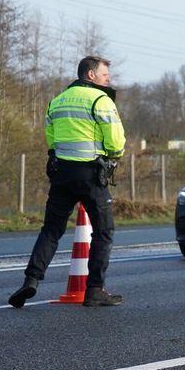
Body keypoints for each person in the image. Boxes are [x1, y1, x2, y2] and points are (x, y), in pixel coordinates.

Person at [9, 56, 125, 308]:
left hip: (62, 174)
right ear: (91, 75)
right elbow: (116, 140)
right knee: (104, 231)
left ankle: (31, 281)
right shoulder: (101, 100)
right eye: (105, 74)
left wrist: (58, 155)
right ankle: (94, 291)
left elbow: (50, 135)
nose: (109, 79)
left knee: (51, 229)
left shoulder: (58, 100)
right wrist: (113, 156)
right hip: (92, 175)